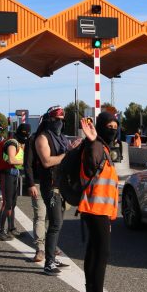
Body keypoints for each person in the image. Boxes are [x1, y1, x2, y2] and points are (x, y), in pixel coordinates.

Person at [78, 112, 121, 292]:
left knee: (94, 252)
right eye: (109, 126)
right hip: (95, 209)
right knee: (101, 255)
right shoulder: (96, 147)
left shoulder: (102, 147)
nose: (112, 129)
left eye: (115, 126)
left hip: (98, 209)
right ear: (101, 127)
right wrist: (91, 140)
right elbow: (88, 168)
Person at [35, 106, 81, 275]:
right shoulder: (42, 138)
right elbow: (47, 161)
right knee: (55, 223)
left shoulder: (61, 138)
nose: (60, 123)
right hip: (50, 186)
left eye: (62, 120)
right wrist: (68, 153)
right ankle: (49, 263)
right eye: (57, 120)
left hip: (62, 186)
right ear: (50, 120)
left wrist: (74, 150)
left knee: (58, 223)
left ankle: (52, 256)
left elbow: (67, 158)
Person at [0, 126, 26, 241]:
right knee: (7, 203)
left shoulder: (18, 142)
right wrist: (26, 161)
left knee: (13, 202)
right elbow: (11, 160)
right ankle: (0, 230)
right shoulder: (12, 143)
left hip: (13, 173)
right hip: (6, 173)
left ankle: (11, 228)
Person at [23, 122, 47, 263]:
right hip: (38, 183)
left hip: (53, 184)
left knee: (54, 219)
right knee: (40, 216)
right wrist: (31, 184)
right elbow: (28, 164)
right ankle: (40, 249)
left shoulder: (57, 138)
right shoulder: (33, 139)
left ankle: (50, 245)